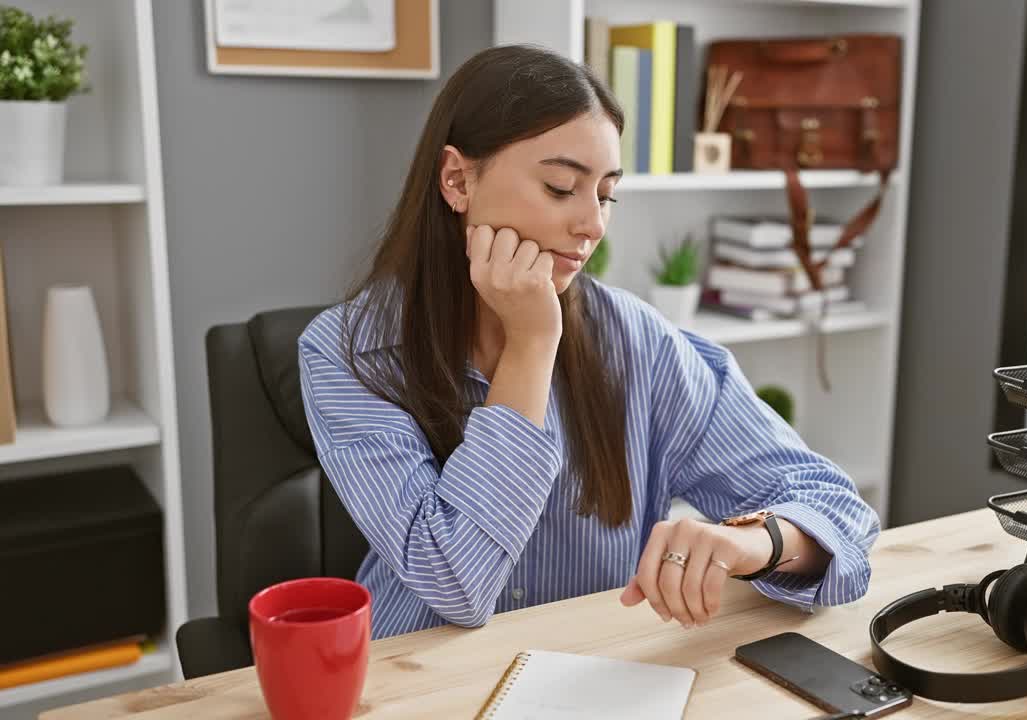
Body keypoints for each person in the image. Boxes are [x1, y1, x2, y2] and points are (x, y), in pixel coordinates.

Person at [299, 44, 879, 641]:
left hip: (596, 676)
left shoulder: (638, 342)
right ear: (456, 179)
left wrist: (756, 541)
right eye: (559, 187)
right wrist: (531, 345)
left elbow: (837, 507)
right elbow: (456, 583)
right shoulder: (348, 353)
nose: (593, 226)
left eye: (605, 195)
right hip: (419, 683)